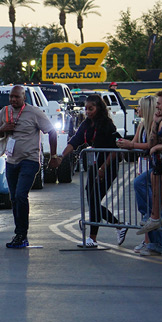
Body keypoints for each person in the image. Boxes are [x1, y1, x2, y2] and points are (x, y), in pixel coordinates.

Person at [0, 85, 59, 249]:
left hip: (29, 160)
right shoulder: (5, 112)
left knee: (21, 195)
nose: (13, 100)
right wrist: (3, 128)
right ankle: (19, 234)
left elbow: (52, 131)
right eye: (11, 97)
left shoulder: (34, 112)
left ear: (24, 97)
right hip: (11, 161)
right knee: (14, 198)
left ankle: (22, 234)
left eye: (16, 97)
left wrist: (53, 156)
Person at [57, 94, 123, 248]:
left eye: (91, 109)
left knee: (94, 200)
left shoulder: (107, 125)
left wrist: (102, 169)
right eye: (86, 109)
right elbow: (75, 141)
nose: (87, 112)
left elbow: (114, 150)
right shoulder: (86, 124)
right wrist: (61, 157)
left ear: (99, 108)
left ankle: (93, 238)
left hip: (108, 165)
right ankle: (119, 225)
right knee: (92, 200)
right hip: (95, 165)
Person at [119, 95, 162, 255]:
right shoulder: (143, 124)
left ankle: (156, 242)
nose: (137, 109)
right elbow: (139, 144)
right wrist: (128, 144)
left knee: (155, 205)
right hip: (146, 166)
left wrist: (132, 144)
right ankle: (149, 241)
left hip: (157, 167)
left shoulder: (159, 123)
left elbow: (152, 144)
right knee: (149, 205)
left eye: (139, 106)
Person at [135, 89, 162, 254]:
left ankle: (154, 217)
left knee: (147, 178)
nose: (157, 107)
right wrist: (156, 123)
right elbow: (152, 142)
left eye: (159, 104)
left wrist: (158, 147)